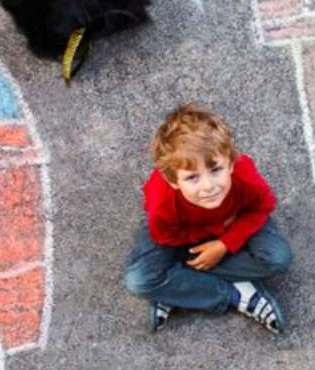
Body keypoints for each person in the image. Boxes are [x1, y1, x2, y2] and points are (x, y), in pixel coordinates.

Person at [124, 103, 292, 332]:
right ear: (173, 181)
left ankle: (177, 287)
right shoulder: (162, 201)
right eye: (192, 177)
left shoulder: (244, 175)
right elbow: (164, 236)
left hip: (234, 220)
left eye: (216, 170)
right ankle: (237, 295)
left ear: (231, 163)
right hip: (182, 234)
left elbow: (263, 206)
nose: (208, 186)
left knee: (277, 258)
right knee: (139, 280)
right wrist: (215, 234)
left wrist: (225, 244)